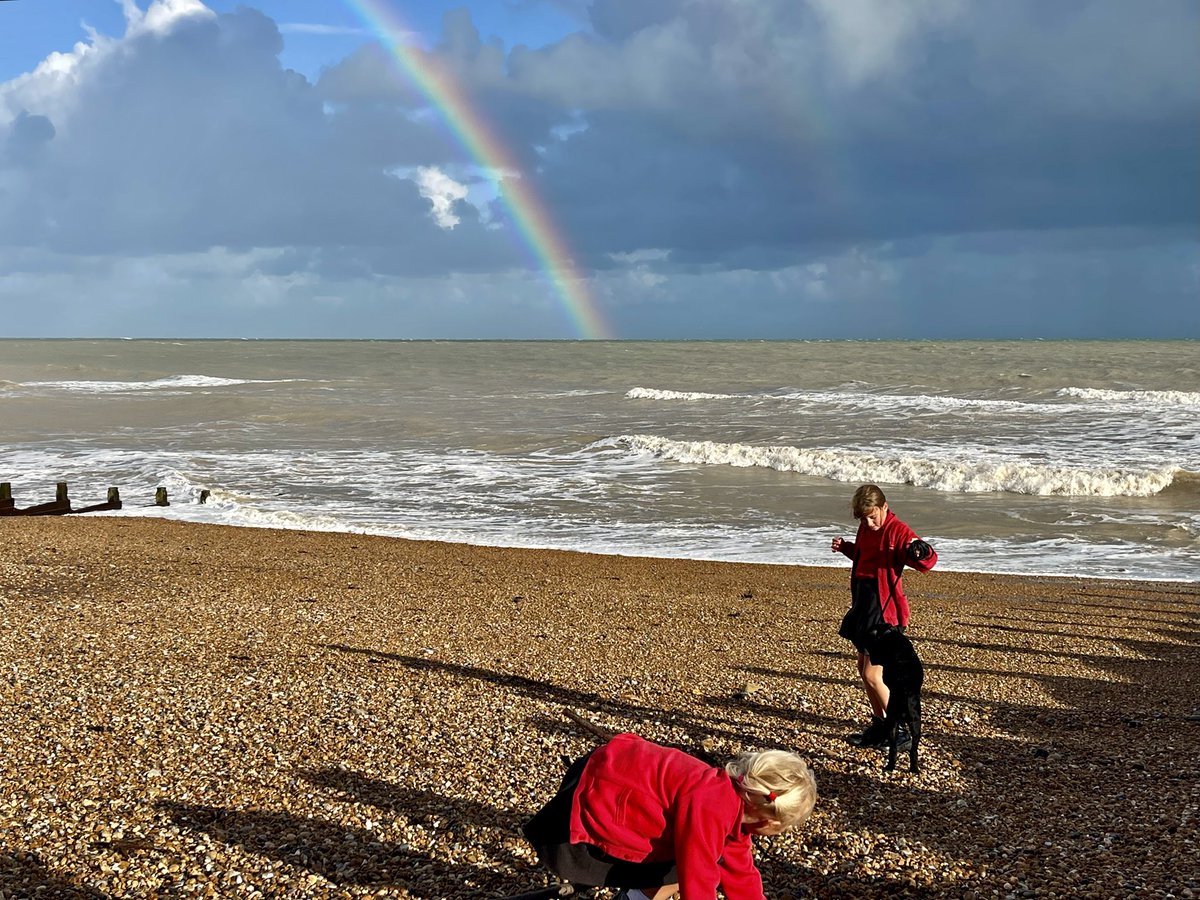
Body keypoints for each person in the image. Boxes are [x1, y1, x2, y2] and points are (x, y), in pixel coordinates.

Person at [522, 732, 818, 900]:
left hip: (608, 774)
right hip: (596, 797)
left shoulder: (733, 803)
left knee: (704, 859)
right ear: (769, 822)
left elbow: (740, 874)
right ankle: (633, 897)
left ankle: (635, 893)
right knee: (682, 866)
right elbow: (698, 877)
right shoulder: (712, 805)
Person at [831, 484, 937, 749]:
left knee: (872, 675)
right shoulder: (867, 527)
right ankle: (881, 725)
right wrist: (846, 548)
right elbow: (865, 555)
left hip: (885, 611)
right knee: (862, 670)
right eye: (863, 518)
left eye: (872, 516)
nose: (869, 522)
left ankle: (899, 730)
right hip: (864, 606)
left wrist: (920, 551)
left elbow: (926, 558)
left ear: (884, 507)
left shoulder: (898, 530)